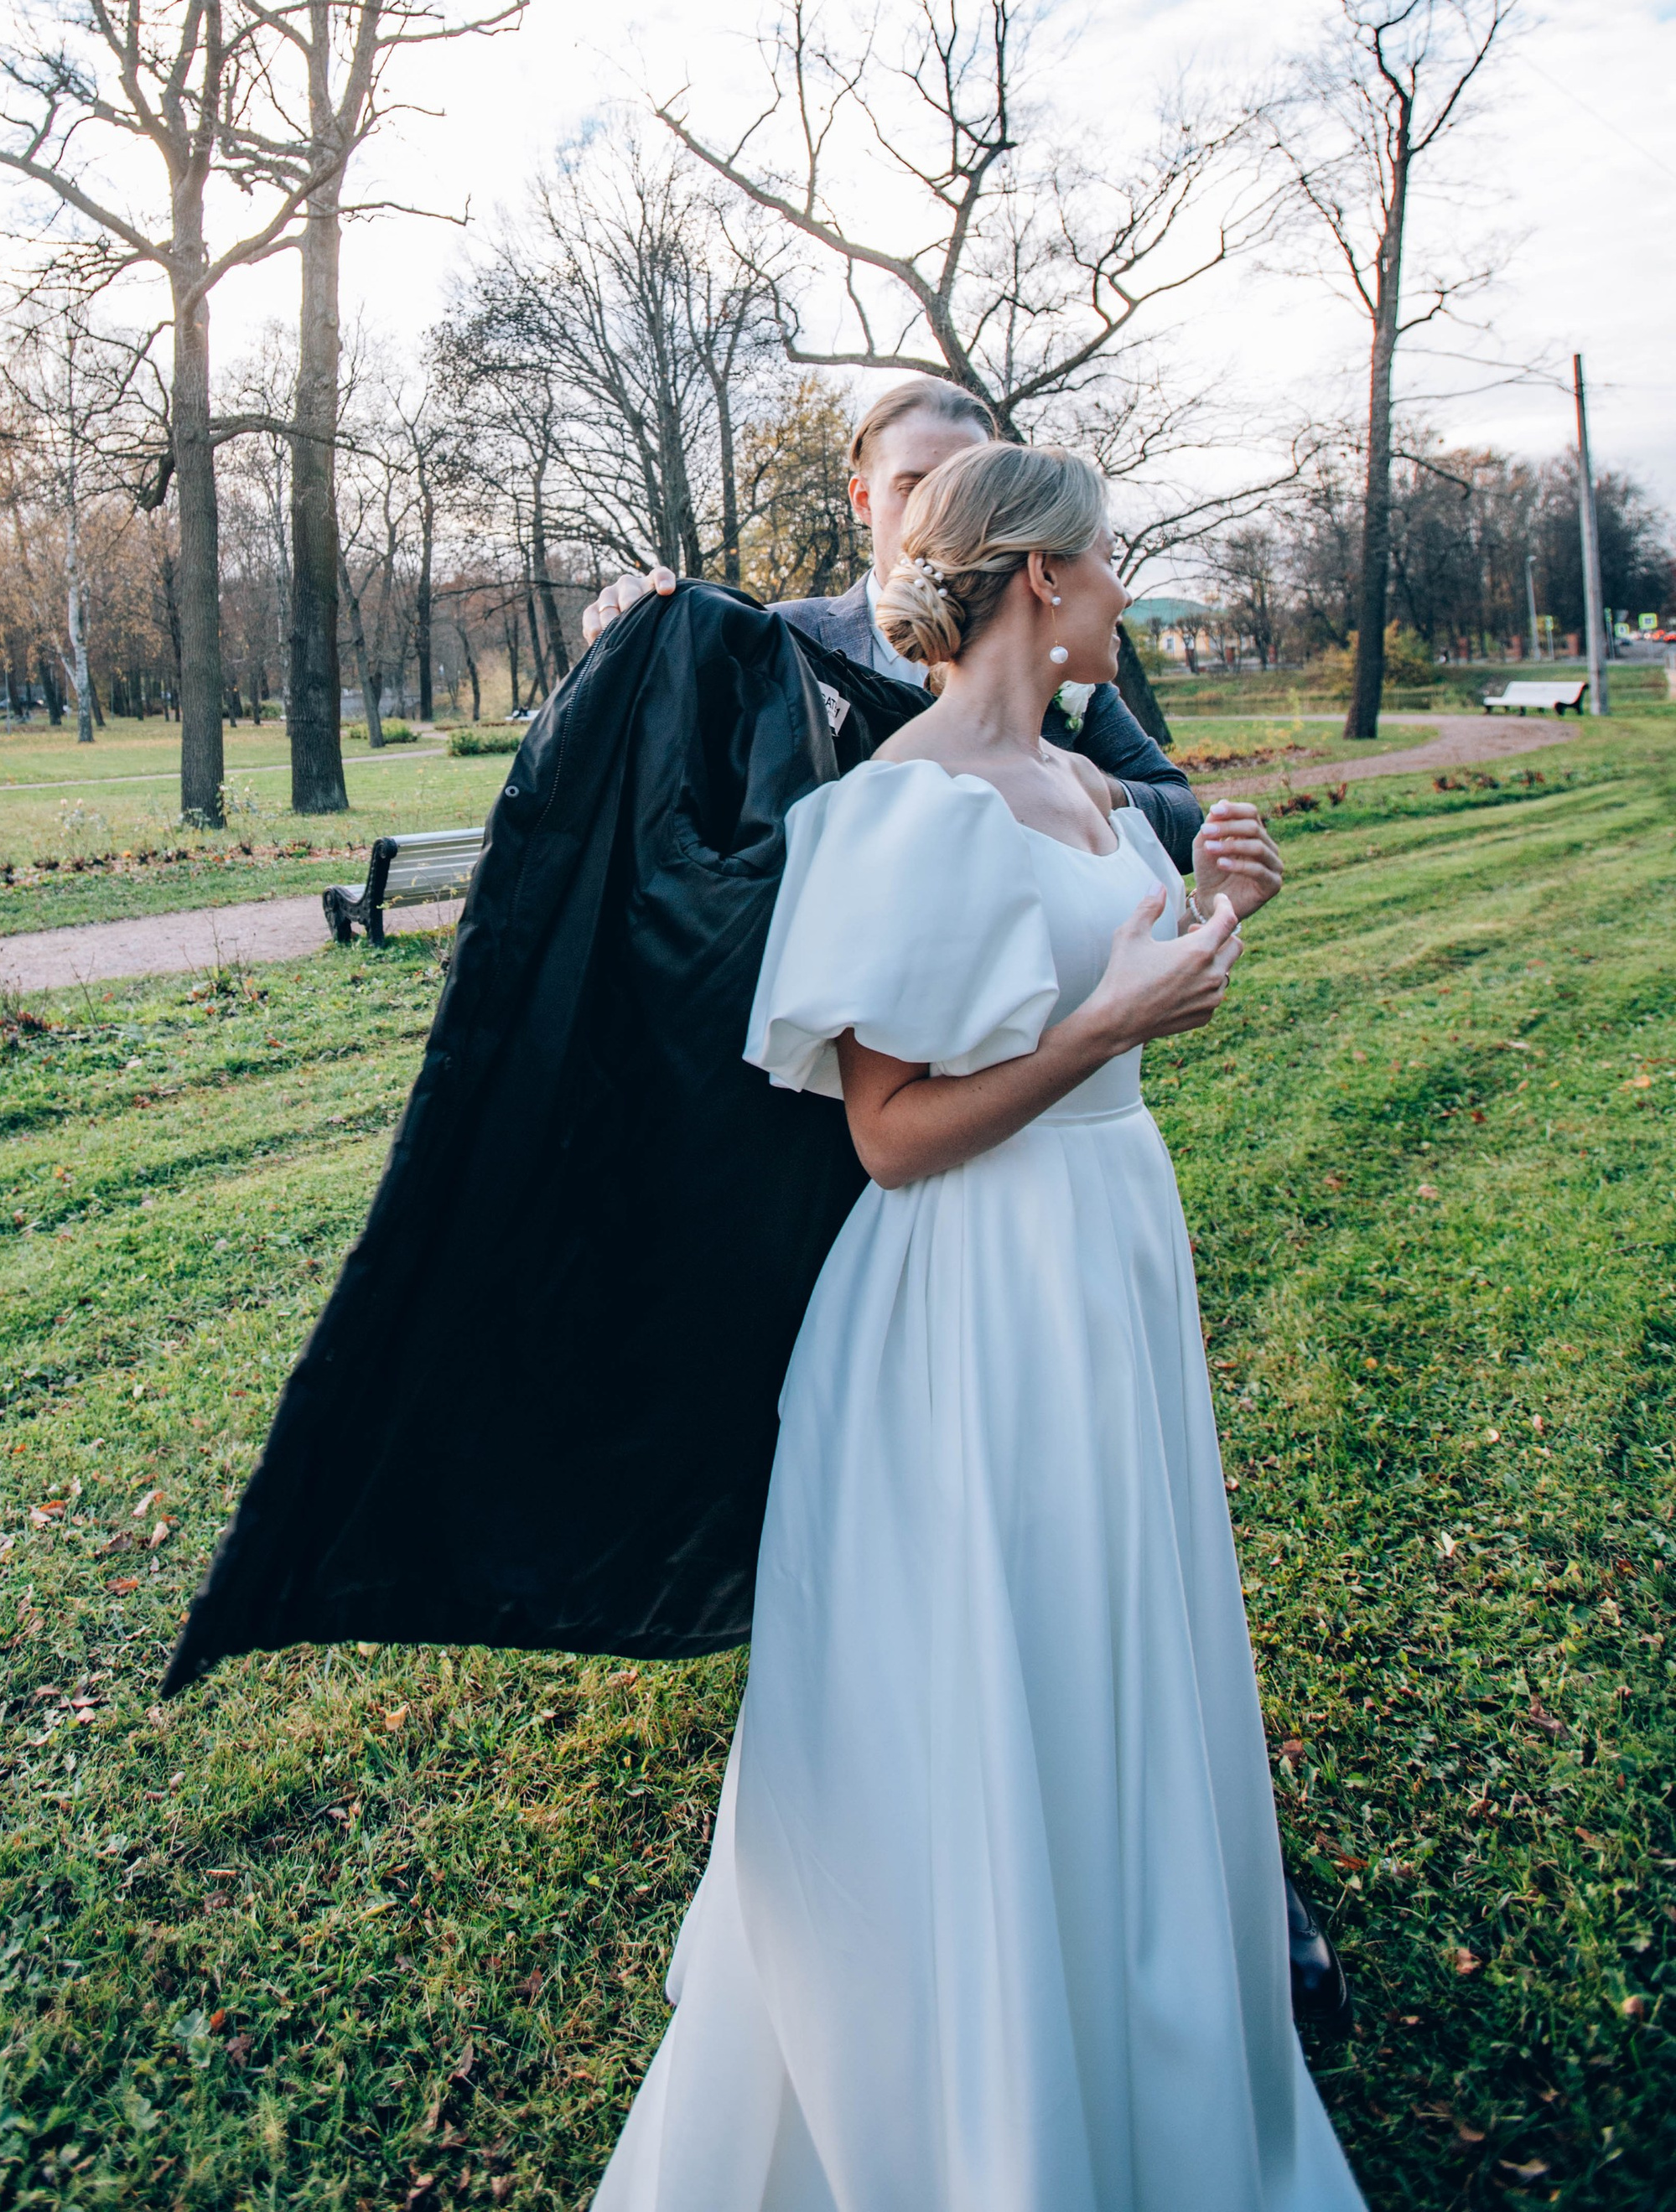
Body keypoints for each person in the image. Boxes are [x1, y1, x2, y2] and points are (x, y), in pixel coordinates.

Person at [594, 441, 1365, 2212]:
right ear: (1037, 578)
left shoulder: (1086, 784)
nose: (1123, 590)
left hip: (1106, 1255)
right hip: (970, 1299)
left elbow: (1100, 1001)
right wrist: (1109, 1026)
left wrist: (1216, 912)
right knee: (988, 1662)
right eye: (1108, 560)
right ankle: (989, 2095)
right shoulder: (900, 807)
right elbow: (891, 1132)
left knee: (1107, 1639)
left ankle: (1128, 2009)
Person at [586, 374, 1248, 889]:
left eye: (973, 488)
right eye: (916, 486)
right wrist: (640, 643)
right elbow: (674, 811)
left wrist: (1064, 786)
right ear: (863, 500)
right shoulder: (785, 641)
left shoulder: (1051, 652)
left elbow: (1179, 812)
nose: (948, 509)